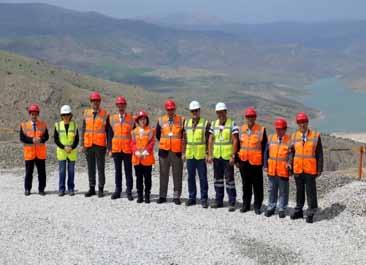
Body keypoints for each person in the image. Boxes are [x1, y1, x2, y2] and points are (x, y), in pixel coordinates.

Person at [290, 112, 323, 224]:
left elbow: (319, 154)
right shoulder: (294, 136)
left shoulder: (315, 136)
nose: (302, 125)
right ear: (297, 124)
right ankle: (299, 211)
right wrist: (290, 165)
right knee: (299, 191)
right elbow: (291, 153)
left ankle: (311, 212)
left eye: (304, 122)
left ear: (307, 123)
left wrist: (319, 169)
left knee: (311, 192)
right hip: (298, 168)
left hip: (310, 169)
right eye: (300, 123)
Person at [207, 102, 239, 212]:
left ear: (226, 112)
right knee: (218, 180)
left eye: (222, 112)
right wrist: (210, 154)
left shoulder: (232, 124)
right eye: (218, 112)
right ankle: (218, 200)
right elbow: (210, 139)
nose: (220, 114)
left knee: (230, 180)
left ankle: (231, 202)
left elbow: (235, 140)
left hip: (227, 157)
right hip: (217, 156)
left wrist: (233, 155)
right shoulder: (214, 124)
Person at [237, 107, 267, 215]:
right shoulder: (241, 129)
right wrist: (237, 160)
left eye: (252, 116)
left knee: (257, 186)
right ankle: (246, 205)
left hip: (256, 162)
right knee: (246, 185)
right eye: (248, 116)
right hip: (244, 161)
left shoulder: (261, 130)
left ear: (255, 118)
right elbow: (238, 146)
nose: (250, 118)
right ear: (246, 117)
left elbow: (265, 148)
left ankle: (257, 206)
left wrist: (265, 163)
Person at [156, 99, 185, 205]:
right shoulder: (161, 120)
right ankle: (162, 196)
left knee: (177, 174)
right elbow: (158, 135)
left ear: (175, 109)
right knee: (163, 174)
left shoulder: (181, 120)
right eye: (168, 109)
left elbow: (183, 136)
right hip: (164, 152)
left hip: (176, 152)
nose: (170, 111)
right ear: (166, 109)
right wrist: (167, 142)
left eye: (172, 109)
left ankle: (176, 196)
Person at [81, 91, 109, 198]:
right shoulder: (86, 113)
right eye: (93, 101)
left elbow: (108, 131)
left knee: (100, 168)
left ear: (100, 102)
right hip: (89, 145)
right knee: (90, 167)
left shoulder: (105, 114)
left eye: (97, 101)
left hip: (100, 145)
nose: (95, 103)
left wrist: (108, 146)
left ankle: (101, 188)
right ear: (90, 102)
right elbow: (83, 129)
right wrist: (82, 144)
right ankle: (92, 188)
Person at [183, 101, 210, 208]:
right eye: (193, 111)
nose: (194, 112)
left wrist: (208, 154)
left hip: (201, 155)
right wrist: (183, 152)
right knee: (190, 177)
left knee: (203, 178)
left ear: (199, 111)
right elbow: (184, 139)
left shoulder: (205, 123)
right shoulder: (186, 123)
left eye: (196, 110)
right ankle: (192, 198)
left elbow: (209, 140)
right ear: (190, 112)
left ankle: (204, 199)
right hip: (190, 155)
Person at [263, 118, 291, 218]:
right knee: (271, 190)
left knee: (283, 191)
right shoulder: (270, 138)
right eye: (277, 129)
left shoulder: (289, 140)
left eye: (281, 129)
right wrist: (265, 165)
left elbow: (291, 155)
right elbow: (266, 152)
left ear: (285, 129)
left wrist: (290, 164)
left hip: (283, 170)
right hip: (272, 170)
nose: (279, 131)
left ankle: (282, 208)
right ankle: (271, 207)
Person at [108, 96, 134, 200]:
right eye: (119, 105)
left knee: (128, 171)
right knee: (117, 171)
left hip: (128, 149)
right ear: (117, 106)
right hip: (117, 149)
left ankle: (129, 191)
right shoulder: (112, 119)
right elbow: (109, 135)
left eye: (122, 105)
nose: (121, 107)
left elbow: (134, 136)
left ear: (125, 106)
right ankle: (118, 191)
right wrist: (109, 149)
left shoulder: (131, 120)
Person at [20, 103, 49, 196]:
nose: (34, 115)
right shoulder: (24, 125)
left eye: (36, 114)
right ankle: (27, 189)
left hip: (40, 154)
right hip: (29, 154)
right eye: (32, 114)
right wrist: (32, 140)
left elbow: (47, 136)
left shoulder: (43, 125)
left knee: (42, 173)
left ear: (38, 114)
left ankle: (41, 189)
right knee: (29, 173)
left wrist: (41, 139)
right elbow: (22, 138)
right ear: (30, 114)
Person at [54, 105, 79, 196]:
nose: (66, 116)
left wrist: (71, 147)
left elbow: (77, 140)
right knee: (62, 171)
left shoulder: (74, 125)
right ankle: (61, 189)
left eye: (67, 114)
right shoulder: (58, 125)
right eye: (64, 114)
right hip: (62, 152)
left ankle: (71, 189)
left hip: (71, 152)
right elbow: (56, 140)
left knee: (71, 171)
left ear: (70, 115)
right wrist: (64, 147)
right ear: (61, 115)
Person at [131, 111, 155, 203]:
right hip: (137, 159)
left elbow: (152, 142)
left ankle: (147, 195)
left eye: (144, 119)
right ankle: (140, 195)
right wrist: (135, 151)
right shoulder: (134, 132)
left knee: (147, 178)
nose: (143, 121)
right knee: (139, 178)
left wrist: (147, 150)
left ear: (147, 120)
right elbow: (132, 143)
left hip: (147, 158)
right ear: (138, 120)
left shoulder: (150, 130)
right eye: (141, 119)